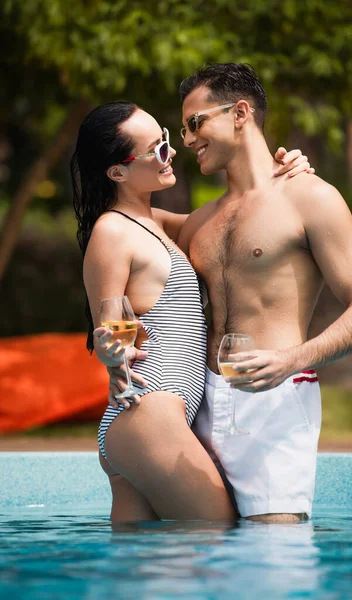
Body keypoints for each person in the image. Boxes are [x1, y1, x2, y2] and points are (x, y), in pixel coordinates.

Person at [112, 63, 352, 524]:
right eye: (181, 128)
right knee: (197, 563)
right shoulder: (197, 223)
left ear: (240, 113)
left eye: (195, 123)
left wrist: (292, 359)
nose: (187, 139)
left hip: (273, 402)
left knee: (272, 559)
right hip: (199, 402)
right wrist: (113, 341)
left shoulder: (311, 198)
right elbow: (120, 224)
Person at [71, 100, 311, 522]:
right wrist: (109, 348)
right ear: (118, 172)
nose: (172, 151)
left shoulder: (157, 224)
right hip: (149, 414)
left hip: (145, 422)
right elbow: (108, 326)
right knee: (219, 539)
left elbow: (232, 220)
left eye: (165, 139)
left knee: (146, 576)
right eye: (157, 150)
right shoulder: (112, 232)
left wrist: (277, 173)